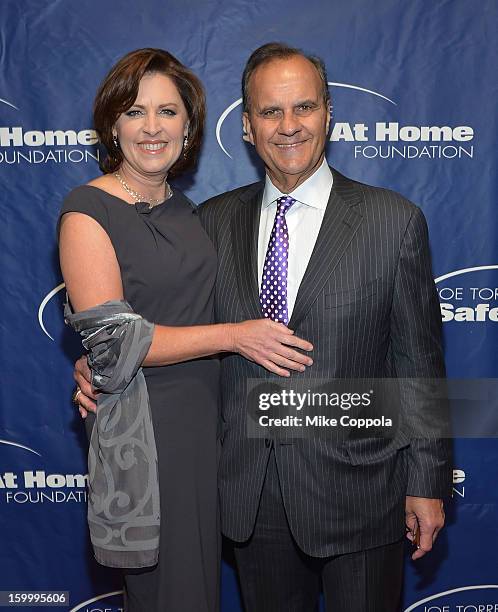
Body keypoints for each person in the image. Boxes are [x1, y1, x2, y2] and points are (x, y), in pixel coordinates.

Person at [75, 43, 451, 611]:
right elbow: (154, 323)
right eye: (270, 113)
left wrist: (426, 481)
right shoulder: (212, 222)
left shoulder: (393, 221)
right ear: (247, 128)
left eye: (303, 108)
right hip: (249, 498)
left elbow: (419, 364)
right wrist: (98, 366)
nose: (289, 126)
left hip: (360, 492)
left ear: (329, 114)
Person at [60, 47, 313, 612]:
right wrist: (234, 335)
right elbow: (117, 342)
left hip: (211, 432)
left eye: (167, 112)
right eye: (134, 111)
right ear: (112, 123)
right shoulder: (87, 210)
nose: (152, 128)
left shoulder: (190, 212)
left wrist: (96, 365)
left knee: (199, 590)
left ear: (189, 125)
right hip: (149, 437)